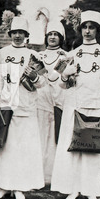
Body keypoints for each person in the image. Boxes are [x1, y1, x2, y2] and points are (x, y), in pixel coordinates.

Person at [50, 10, 100, 199]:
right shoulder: (71, 54)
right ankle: (72, 189)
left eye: (91, 27)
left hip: (95, 106)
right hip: (73, 106)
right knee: (72, 151)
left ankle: (91, 191)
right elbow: (58, 83)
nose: (87, 31)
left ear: (98, 30)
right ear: (80, 30)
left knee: (92, 151)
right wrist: (64, 75)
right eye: (84, 27)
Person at [0, 17, 45, 199]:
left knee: (23, 149)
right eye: (14, 33)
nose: (17, 36)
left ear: (26, 35)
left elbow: (43, 82)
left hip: (26, 107)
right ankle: (3, 186)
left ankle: (20, 187)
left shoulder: (34, 55)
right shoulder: (2, 53)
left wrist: (35, 77)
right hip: (7, 106)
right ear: (10, 34)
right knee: (5, 147)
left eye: (21, 33)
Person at [37, 20, 68, 182]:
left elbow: (59, 78)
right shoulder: (38, 55)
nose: (53, 37)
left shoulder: (65, 56)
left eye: (56, 35)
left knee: (56, 138)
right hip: (41, 101)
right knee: (42, 136)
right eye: (50, 34)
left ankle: (55, 176)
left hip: (59, 100)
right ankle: (39, 175)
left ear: (61, 38)